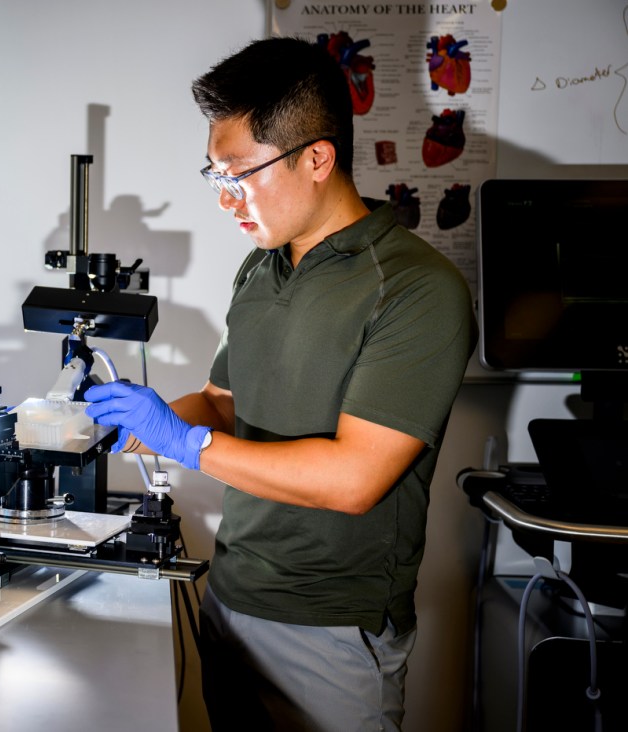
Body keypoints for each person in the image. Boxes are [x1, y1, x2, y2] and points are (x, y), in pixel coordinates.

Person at [84, 36, 477, 731]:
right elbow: (224, 406)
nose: (225, 197)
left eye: (240, 172)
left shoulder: (417, 289)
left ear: (317, 158)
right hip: (231, 596)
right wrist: (121, 429)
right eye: (214, 175)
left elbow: (353, 481)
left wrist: (179, 439)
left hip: (328, 629)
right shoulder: (260, 269)